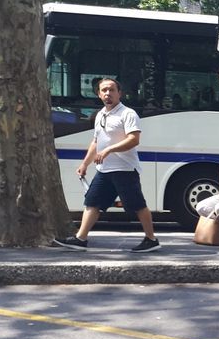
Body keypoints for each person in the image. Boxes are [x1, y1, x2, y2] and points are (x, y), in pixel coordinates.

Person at [54, 78, 160, 252]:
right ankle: (81, 239)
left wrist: (109, 150)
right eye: (104, 90)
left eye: (111, 90)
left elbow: (134, 140)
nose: (107, 93)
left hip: (124, 168)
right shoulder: (101, 114)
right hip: (104, 170)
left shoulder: (128, 114)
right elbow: (96, 142)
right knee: (92, 202)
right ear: (98, 94)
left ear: (120, 93)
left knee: (137, 205)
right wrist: (85, 164)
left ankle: (151, 239)